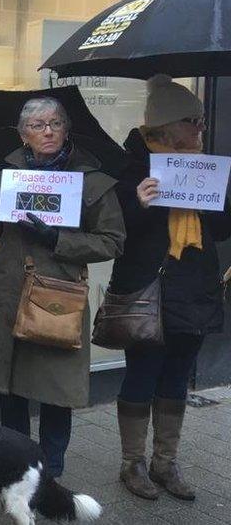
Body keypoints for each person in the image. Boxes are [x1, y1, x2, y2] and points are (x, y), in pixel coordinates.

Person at [0, 96, 126, 479]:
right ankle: (14, 466)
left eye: (54, 123)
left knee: (56, 390)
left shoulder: (92, 180)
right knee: (9, 382)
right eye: (37, 126)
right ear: (23, 134)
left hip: (58, 294)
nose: (47, 131)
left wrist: (58, 239)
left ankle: (50, 472)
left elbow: (112, 241)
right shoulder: (6, 175)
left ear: (66, 129)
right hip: (8, 291)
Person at [111, 75, 231, 502]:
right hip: (149, 288)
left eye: (200, 120)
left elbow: (219, 230)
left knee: (177, 376)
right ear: (164, 127)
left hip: (194, 288)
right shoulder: (132, 165)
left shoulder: (206, 166)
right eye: (192, 121)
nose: (201, 128)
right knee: (142, 373)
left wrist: (213, 200)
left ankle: (166, 462)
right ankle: (132, 463)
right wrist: (139, 205)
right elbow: (115, 231)